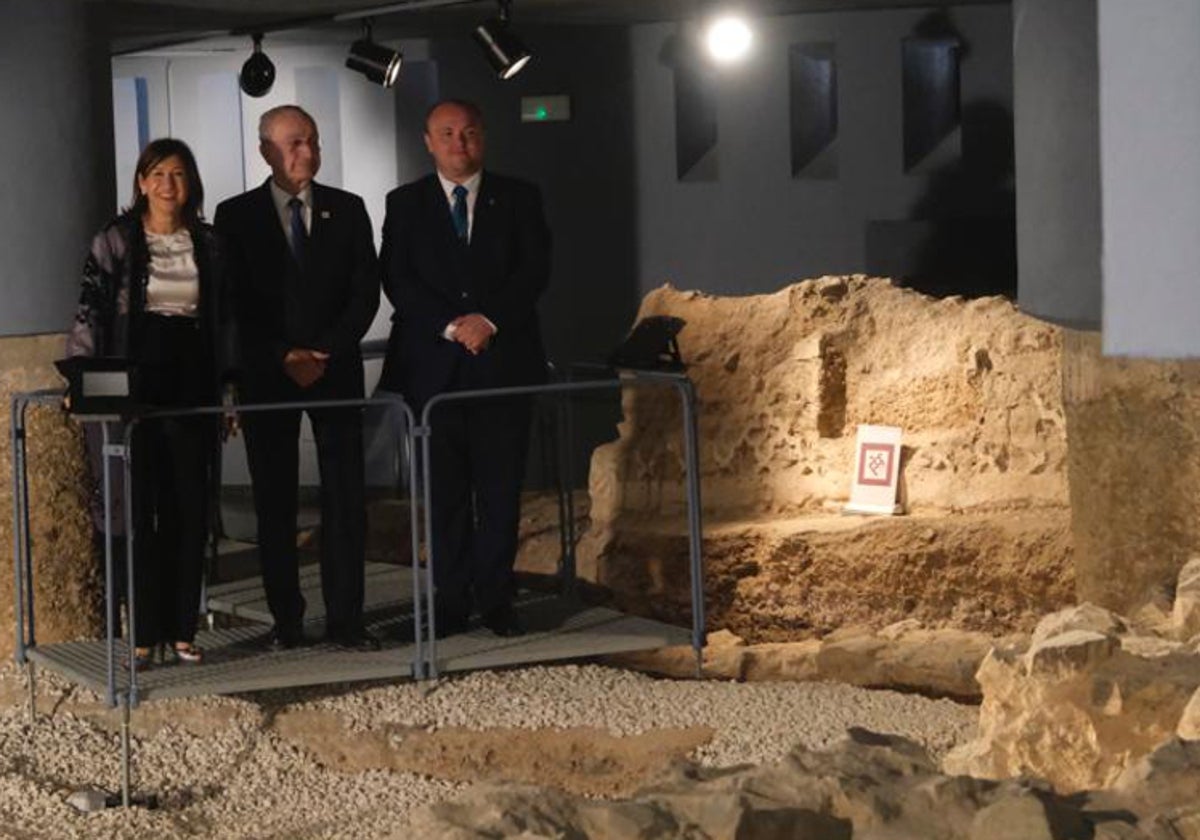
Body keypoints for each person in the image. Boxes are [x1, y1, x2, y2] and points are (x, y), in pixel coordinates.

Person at [378, 99, 551, 638]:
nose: (460, 143)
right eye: (447, 133)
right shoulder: (404, 203)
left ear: (484, 137)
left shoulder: (520, 197)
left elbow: (534, 270)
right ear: (428, 141)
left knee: (500, 491)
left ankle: (497, 599)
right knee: (444, 495)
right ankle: (450, 603)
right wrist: (453, 327)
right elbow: (398, 279)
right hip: (435, 373)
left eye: (470, 132)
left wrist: (489, 320)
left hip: (502, 366)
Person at [214, 105, 380, 651]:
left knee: (345, 500)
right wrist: (283, 354)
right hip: (270, 376)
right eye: (292, 143)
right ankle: (287, 621)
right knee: (275, 502)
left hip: (334, 373)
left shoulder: (348, 209)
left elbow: (364, 293)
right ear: (265, 150)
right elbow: (233, 302)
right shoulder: (235, 217)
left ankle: (347, 620)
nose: (305, 152)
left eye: (311, 140)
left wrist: (323, 351)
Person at [66, 138, 229, 668]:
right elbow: (90, 310)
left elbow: (225, 320)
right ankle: (142, 631)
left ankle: (182, 630)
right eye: (157, 174)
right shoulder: (115, 240)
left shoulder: (208, 242)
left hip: (192, 381)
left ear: (191, 183)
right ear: (140, 182)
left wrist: (230, 388)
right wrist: (82, 379)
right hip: (132, 386)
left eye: (178, 174)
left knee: (187, 507)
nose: (167, 185)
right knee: (135, 510)